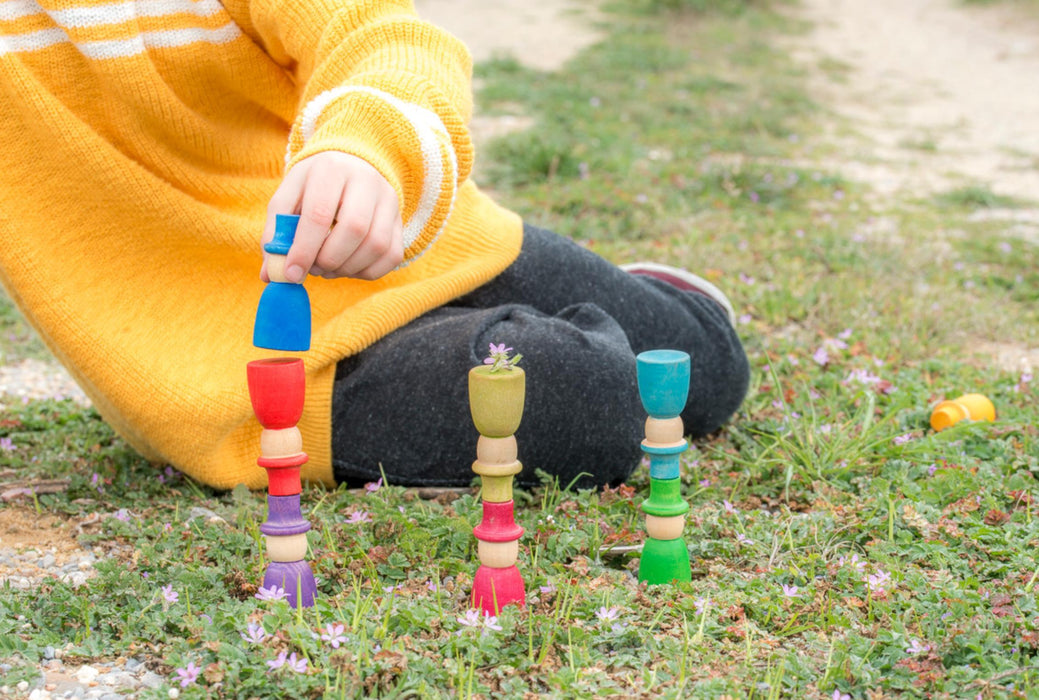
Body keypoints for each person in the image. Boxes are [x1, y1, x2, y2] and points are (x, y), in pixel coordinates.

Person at [0, 0, 749, 491]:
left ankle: (578, 307)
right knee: (589, 396)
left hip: (421, 243)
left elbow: (382, 34)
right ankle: (523, 335)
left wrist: (363, 147)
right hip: (250, 369)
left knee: (705, 366)